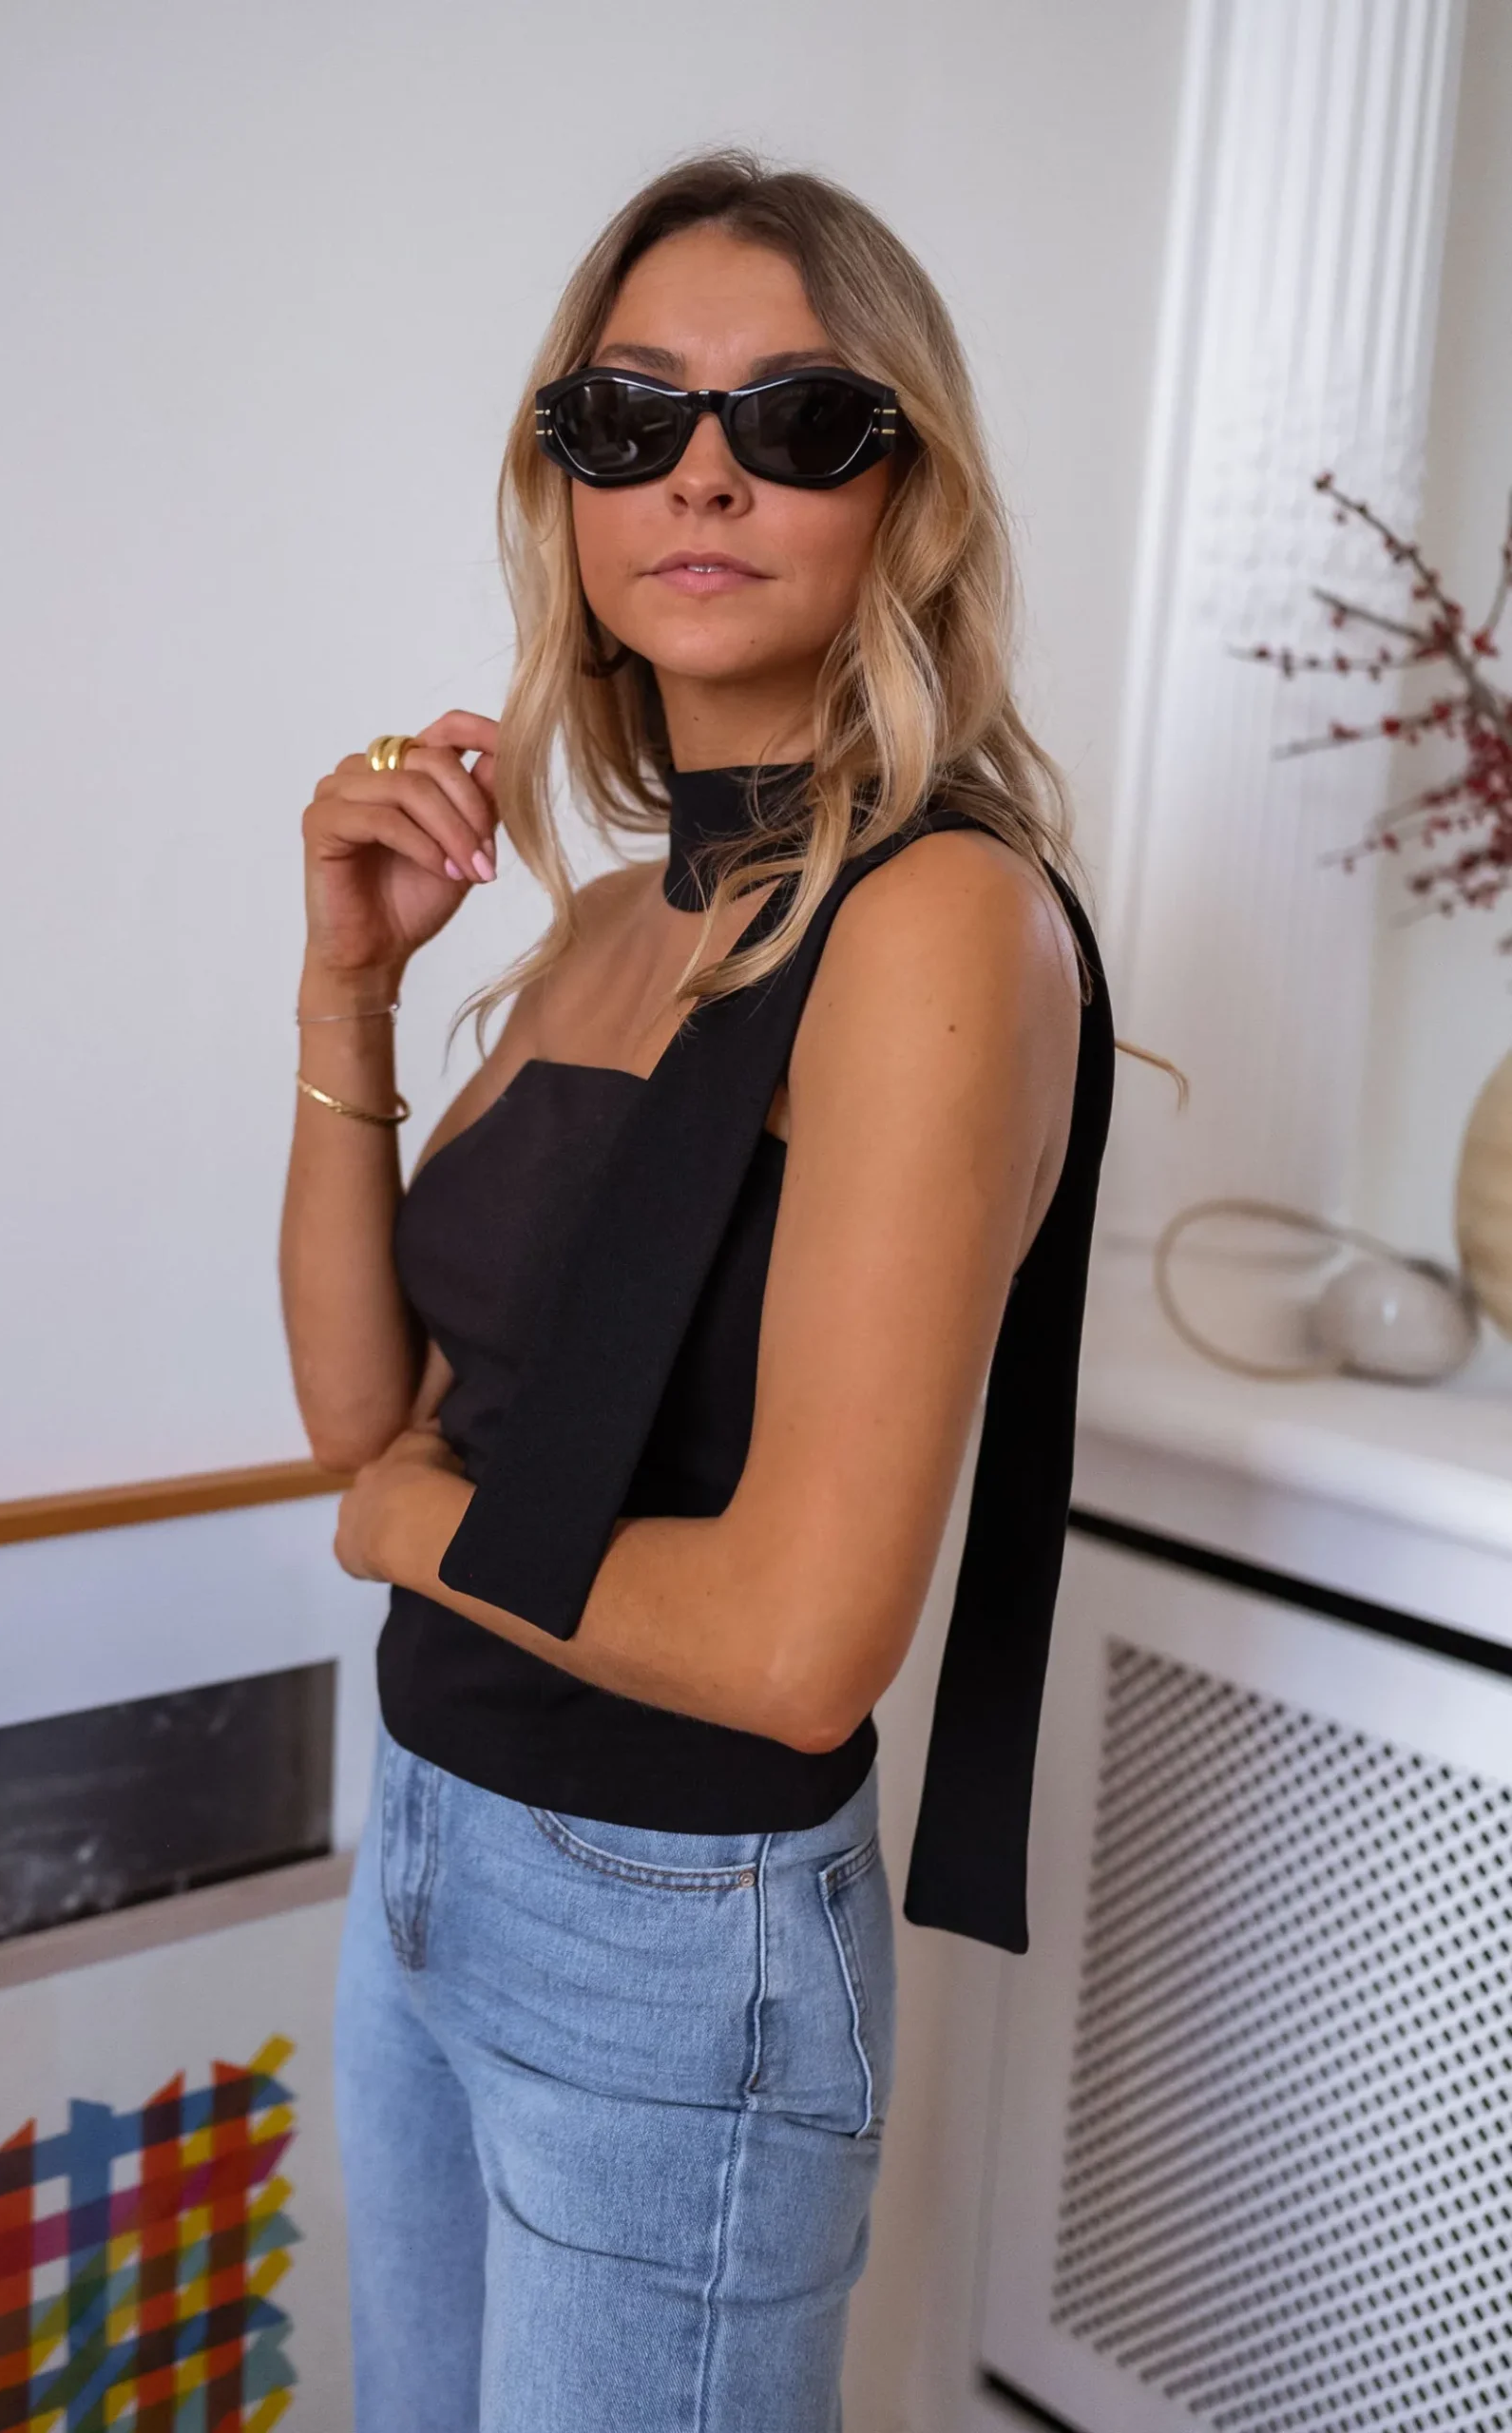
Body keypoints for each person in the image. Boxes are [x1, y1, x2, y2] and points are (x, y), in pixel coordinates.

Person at [279, 149, 1106, 2433]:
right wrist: (345, 988)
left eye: (797, 420)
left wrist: (404, 1524)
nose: (701, 474)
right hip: (426, 1828)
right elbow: (362, 1408)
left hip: (664, 1921)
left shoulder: (932, 917)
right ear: (563, 482)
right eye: (629, 415)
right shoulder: (607, 915)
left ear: (902, 494)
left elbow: (794, 1642)